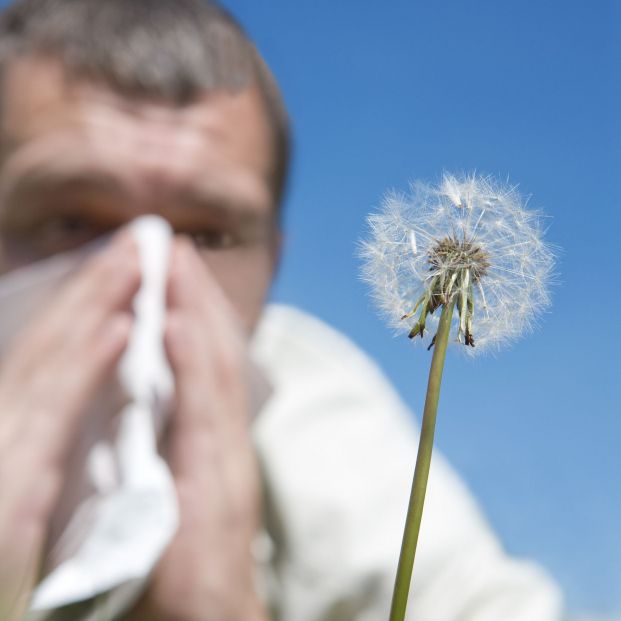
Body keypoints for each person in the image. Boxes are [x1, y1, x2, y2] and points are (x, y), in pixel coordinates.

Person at [0, 1, 564, 620]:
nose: (146, 277)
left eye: (208, 236)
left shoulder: (323, 419)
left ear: (272, 262)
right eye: (71, 221)